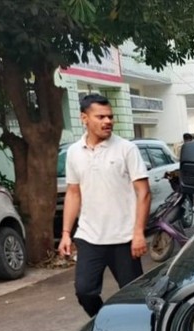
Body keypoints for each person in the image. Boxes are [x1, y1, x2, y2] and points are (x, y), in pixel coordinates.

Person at [58, 93, 152, 318]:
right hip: (90, 237)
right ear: (84, 118)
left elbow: (144, 192)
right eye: (100, 117)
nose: (107, 121)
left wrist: (138, 232)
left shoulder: (126, 148)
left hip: (124, 239)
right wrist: (66, 233)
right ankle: (104, 322)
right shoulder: (73, 152)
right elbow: (73, 193)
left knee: (134, 297)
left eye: (110, 117)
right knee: (85, 292)